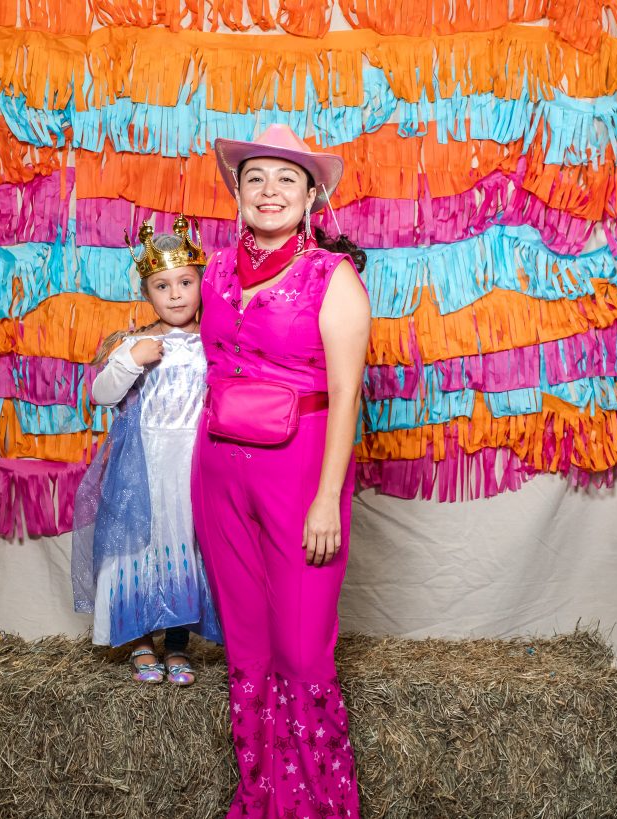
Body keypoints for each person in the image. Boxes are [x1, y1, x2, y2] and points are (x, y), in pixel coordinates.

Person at [192, 125, 371, 817]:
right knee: (247, 648)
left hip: (300, 474)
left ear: (312, 195)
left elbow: (347, 395)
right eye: (255, 178)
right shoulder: (212, 271)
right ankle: (260, 796)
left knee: (300, 649)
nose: (269, 191)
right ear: (237, 191)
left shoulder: (333, 278)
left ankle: (318, 807)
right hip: (218, 472)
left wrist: (327, 498)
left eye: (286, 179)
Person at [72, 217, 222, 686]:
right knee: (136, 551)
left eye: (185, 283)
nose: (175, 295)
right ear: (146, 293)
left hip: (192, 468)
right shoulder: (135, 343)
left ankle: (177, 644)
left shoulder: (213, 345)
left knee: (185, 549)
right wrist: (130, 361)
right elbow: (100, 394)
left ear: (201, 285)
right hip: (141, 470)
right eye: (162, 286)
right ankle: (139, 641)